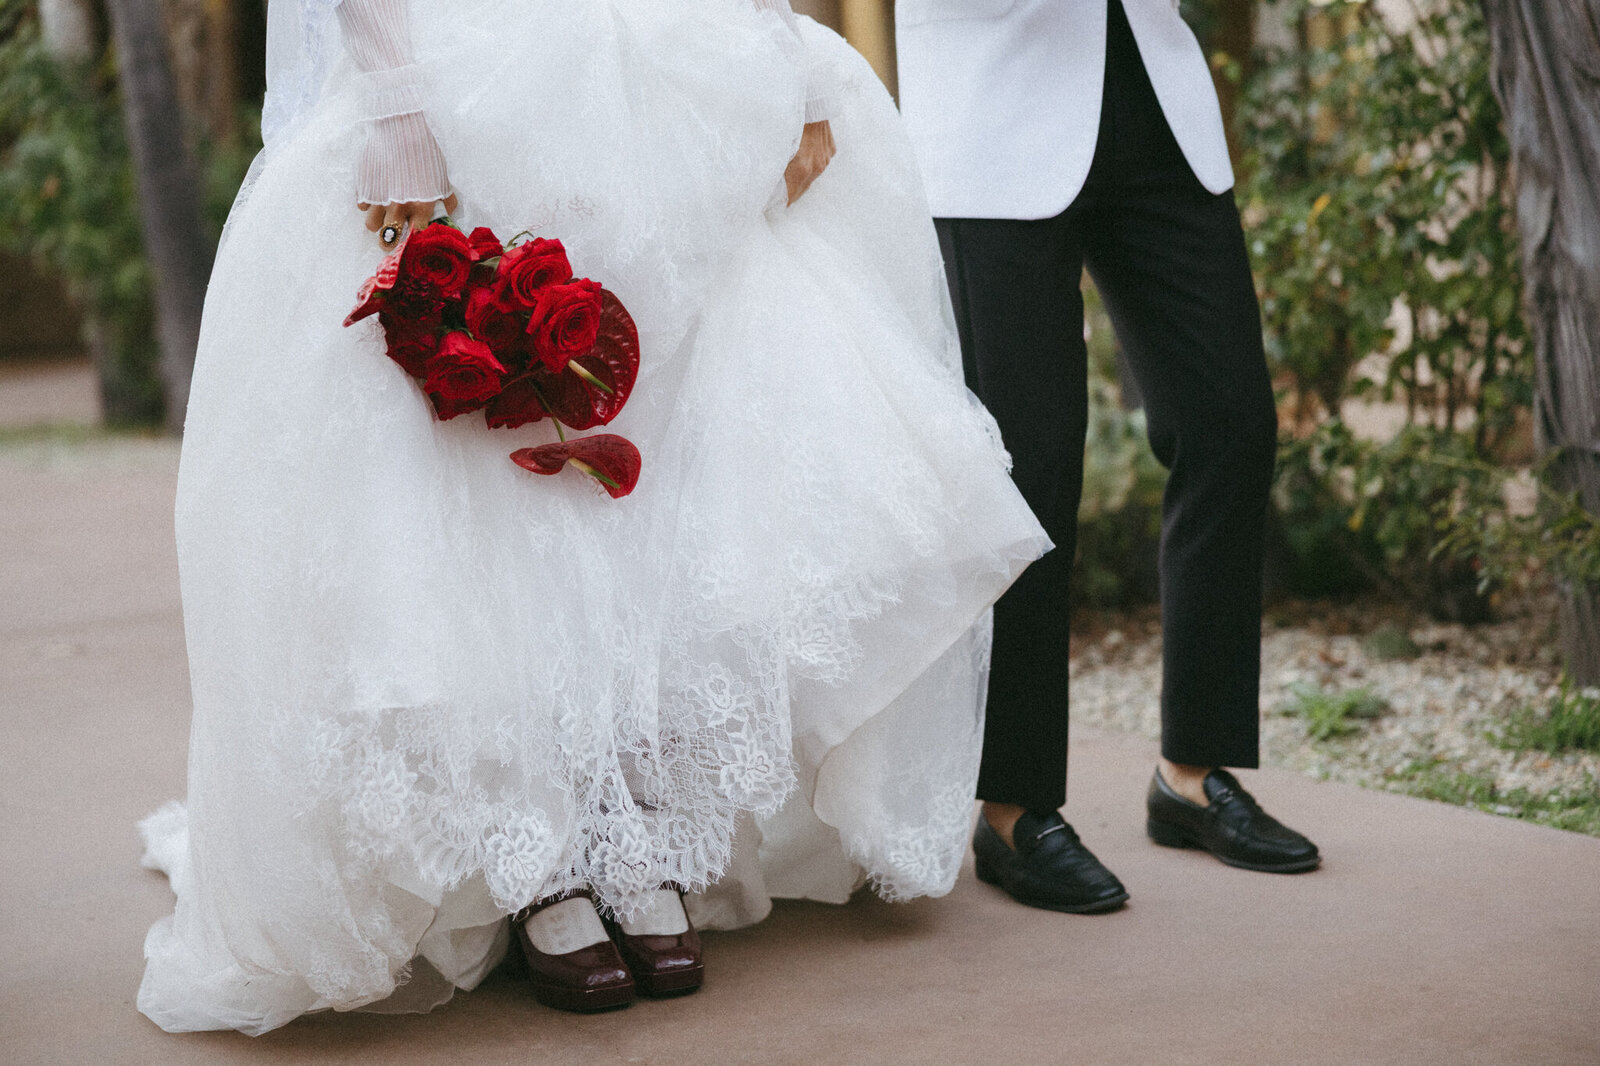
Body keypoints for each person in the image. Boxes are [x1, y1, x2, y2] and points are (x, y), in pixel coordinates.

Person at [136, 0, 1049, 1033]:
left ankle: (639, 825)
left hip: (666, 62)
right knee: (496, 468)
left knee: (667, 458)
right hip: (469, 60)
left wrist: (783, 60)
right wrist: (397, 105)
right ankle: (544, 856)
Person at [894, 0, 1320, 913]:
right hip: (993, 119)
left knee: (1228, 421)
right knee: (1031, 462)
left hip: (1153, 97)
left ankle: (1193, 775)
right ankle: (1014, 811)